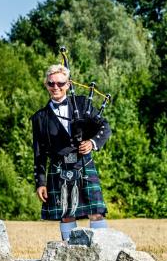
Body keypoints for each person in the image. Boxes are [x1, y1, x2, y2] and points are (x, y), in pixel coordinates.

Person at [31, 64, 111, 240]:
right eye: (51, 83)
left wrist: (92, 143)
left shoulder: (82, 104)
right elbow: (39, 152)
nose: (56, 87)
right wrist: (40, 182)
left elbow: (104, 127)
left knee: (96, 212)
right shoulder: (40, 117)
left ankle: (103, 248)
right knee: (66, 214)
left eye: (60, 83)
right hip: (59, 168)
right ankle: (67, 251)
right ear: (46, 85)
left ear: (68, 84)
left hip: (84, 163)